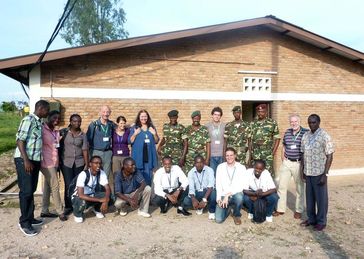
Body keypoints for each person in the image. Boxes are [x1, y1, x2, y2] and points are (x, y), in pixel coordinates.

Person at [14, 100, 49, 236]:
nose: (47, 112)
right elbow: (20, 140)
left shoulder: (39, 122)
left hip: (35, 161)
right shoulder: (28, 120)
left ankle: (30, 217)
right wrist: (26, 160)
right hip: (25, 161)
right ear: (40, 108)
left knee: (31, 190)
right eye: (46, 110)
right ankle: (24, 222)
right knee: (26, 191)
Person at [300, 114, 334, 231]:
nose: (311, 124)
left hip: (319, 173)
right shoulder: (306, 135)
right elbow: (303, 153)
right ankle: (311, 219)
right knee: (309, 198)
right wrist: (302, 170)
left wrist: (325, 174)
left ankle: (321, 221)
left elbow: (329, 156)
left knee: (321, 199)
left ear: (319, 122)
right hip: (308, 172)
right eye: (309, 122)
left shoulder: (325, 136)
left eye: (314, 122)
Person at [274, 114, 308, 219]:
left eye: (295, 121)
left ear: (299, 121)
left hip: (299, 163)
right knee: (281, 186)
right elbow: (284, 145)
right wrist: (282, 157)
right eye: (292, 122)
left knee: (299, 188)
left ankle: (298, 210)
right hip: (287, 162)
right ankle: (280, 209)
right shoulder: (288, 132)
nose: (293, 123)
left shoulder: (305, 133)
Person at [59, 114, 89, 220]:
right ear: (71, 122)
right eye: (75, 121)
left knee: (78, 185)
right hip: (66, 162)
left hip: (79, 163)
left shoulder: (83, 135)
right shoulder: (64, 132)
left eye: (79, 121)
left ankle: (76, 205)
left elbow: (85, 150)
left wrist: (87, 164)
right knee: (68, 184)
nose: (77, 123)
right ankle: (68, 206)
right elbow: (57, 145)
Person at [71, 156, 111, 223]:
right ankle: (77, 214)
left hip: (91, 194)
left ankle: (96, 209)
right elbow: (81, 195)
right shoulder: (83, 174)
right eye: (96, 163)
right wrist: (100, 200)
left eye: (100, 163)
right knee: (82, 201)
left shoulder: (101, 173)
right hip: (78, 197)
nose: (98, 165)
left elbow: (107, 188)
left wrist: (106, 200)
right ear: (90, 164)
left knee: (109, 196)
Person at [40, 110, 63, 219]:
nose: (56, 120)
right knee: (55, 185)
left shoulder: (56, 131)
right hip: (46, 162)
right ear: (48, 118)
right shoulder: (42, 129)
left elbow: (56, 146)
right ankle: (60, 211)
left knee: (48, 186)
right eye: (54, 118)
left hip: (55, 162)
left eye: (58, 119)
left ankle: (44, 210)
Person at [215, 148, 246, 225]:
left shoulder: (241, 167)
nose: (229, 157)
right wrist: (218, 199)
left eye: (231, 155)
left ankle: (236, 214)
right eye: (227, 155)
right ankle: (229, 208)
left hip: (235, 194)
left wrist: (228, 194)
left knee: (239, 197)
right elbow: (218, 184)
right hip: (223, 196)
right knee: (218, 220)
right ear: (225, 157)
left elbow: (242, 185)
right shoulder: (220, 167)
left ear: (235, 155)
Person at [129, 110, 159, 185]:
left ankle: (147, 193)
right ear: (139, 117)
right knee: (137, 176)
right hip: (138, 156)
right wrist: (135, 134)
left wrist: (154, 134)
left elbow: (156, 141)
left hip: (149, 156)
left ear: (148, 117)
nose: (144, 118)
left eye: (145, 116)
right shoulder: (135, 127)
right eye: (142, 116)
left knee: (148, 177)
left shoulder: (151, 127)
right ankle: (138, 194)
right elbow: (130, 141)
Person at [250, 103, 280, 176]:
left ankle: (269, 187)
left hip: (267, 153)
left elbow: (277, 138)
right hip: (256, 153)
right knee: (256, 173)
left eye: (262, 111)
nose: (260, 113)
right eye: (259, 112)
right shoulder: (253, 123)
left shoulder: (272, 123)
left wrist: (272, 153)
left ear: (266, 112)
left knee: (268, 173)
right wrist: (251, 152)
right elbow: (250, 139)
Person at [182, 155, 216, 220]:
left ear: (204, 163)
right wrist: (193, 199)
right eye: (197, 163)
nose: (199, 164)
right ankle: (200, 207)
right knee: (186, 201)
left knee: (214, 193)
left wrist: (204, 199)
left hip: (207, 192)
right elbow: (191, 188)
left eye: (201, 162)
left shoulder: (209, 170)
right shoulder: (191, 172)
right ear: (194, 163)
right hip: (197, 192)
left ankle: (212, 211)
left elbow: (211, 186)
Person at [86, 105, 114, 178]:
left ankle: (103, 189)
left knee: (105, 175)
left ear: (110, 113)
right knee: (95, 173)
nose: (106, 114)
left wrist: (131, 126)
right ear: (100, 112)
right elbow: (88, 140)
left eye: (107, 112)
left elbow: (120, 128)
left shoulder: (111, 124)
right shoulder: (94, 125)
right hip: (96, 152)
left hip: (108, 153)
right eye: (104, 112)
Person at [205, 107, 225, 173]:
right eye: (215, 114)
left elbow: (226, 140)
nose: (217, 116)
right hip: (211, 155)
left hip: (221, 155)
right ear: (212, 115)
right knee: (212, 175)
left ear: (220, 116)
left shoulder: (224, 126)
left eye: (218, 115)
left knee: (221, 175)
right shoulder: (207, 126)